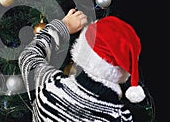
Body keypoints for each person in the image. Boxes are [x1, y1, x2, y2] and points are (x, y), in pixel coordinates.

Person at [19, 9, 153, 121]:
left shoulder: (49, 86)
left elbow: (28, 57)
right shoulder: (119, 117)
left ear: (81, 48)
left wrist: (64, 26)